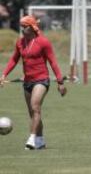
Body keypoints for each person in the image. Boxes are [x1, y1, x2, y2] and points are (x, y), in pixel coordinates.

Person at [0, 15, 67, 150]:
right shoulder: (20, 42)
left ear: (32, 27)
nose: (22, 29)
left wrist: (60, 81)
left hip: (41, 80)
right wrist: (3, 74)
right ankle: (41, 141)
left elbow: (53, 62)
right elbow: (14, 60)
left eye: (24, 27)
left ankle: (31, 139)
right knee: (32, 112)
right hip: (27, 81)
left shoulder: (43, 42)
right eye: (21, 27)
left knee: (35, 107)